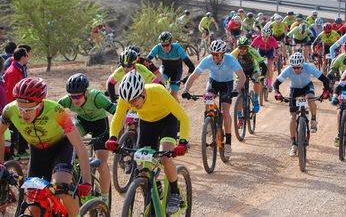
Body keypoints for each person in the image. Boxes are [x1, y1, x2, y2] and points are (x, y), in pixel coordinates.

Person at [0, 77, 91, 217]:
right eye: (20, 109)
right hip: (38, 152)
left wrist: (86, 181)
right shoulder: (9, 110)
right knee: (33, 203)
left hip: (61, 147)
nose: (24, 114)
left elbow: (79, 146)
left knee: (60, 189)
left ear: (40, 103)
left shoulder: (56, 111)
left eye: (29, 109)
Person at [105, 71, 190, 214]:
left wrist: (183, 141)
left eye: (134, 100)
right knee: (141, 163)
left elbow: (183, 116)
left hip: (167, 121)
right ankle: (152, 191)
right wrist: (113, 137)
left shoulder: (158, 91)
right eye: (129, 102)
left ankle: (175, 193)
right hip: (147, 123)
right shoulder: (126, 98)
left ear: (143, 92)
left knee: (164, 157)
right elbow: (118, 118)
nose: (131, 104)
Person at [58, 73, 115, 204]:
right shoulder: (66, 100)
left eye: (78, 96)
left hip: (100, 125)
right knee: (68, 137)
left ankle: (105, 197)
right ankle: (78, 170)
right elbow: (51, 111)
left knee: (101, 162)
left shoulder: (97, 97)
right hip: (82, 122)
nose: (75, 99)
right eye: (72, 96)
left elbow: (116, 111)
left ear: (86, 92)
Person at [182, 40, 246, 156]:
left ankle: (228, 143)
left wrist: (236, 90)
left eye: (217, 54)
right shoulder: (207, 60)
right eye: (212, 54)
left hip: (227, 84)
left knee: (225, 111)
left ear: (223, 54)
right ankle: (209, 122)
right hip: (214, 82)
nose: (214, 57)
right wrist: (186, 90)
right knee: (208, 97)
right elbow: (193, 76)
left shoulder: (230, 59)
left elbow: (242, 77)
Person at [273, 53, 331, 156]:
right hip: (294, 89)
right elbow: (276, 83)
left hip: (307, 87)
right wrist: (277, 93)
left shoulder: (309, 67)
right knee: (293, 116)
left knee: (310, 98)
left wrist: (326, 91)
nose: (296, 70)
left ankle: (313, 119)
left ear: (302, 65)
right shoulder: (288, 70)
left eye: (299, 67)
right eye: (294, 68)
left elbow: (325, 79)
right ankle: (294, 143)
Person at [147, 31, 195, 101]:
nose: (165, 47)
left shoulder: (177, 48)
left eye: (167, 45)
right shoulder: (157, 48)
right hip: (165, 69)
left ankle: (177, 111)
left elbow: (191, 66)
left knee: (173, 94)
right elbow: (146, 61)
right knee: (160, 86)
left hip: (176, 70)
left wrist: (187, 77)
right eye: (163, 45)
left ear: (171, 42)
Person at [230, 36, 267, 122]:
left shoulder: (252, 51)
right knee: (239, 92)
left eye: (244, 48)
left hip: (252, 69)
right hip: (241, 71)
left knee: (257, 80)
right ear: (237, 47)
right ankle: (239, 116)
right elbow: (227, 64)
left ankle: (255, 99)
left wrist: (262, 76)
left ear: (248, 47)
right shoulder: (234, 53)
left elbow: (263, 66)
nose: (242, 50)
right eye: (240, 48)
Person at [3, 47, 30, 159]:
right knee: (14, 129)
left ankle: (20, 151)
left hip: (18, 104)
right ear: (23, 57)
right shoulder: (13, 71)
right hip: (14, 105)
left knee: (18, 128)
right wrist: (16, 106)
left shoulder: (19, 68)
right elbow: (10, 92)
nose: (28, 57)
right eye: (27, 55)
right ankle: (14, 154)